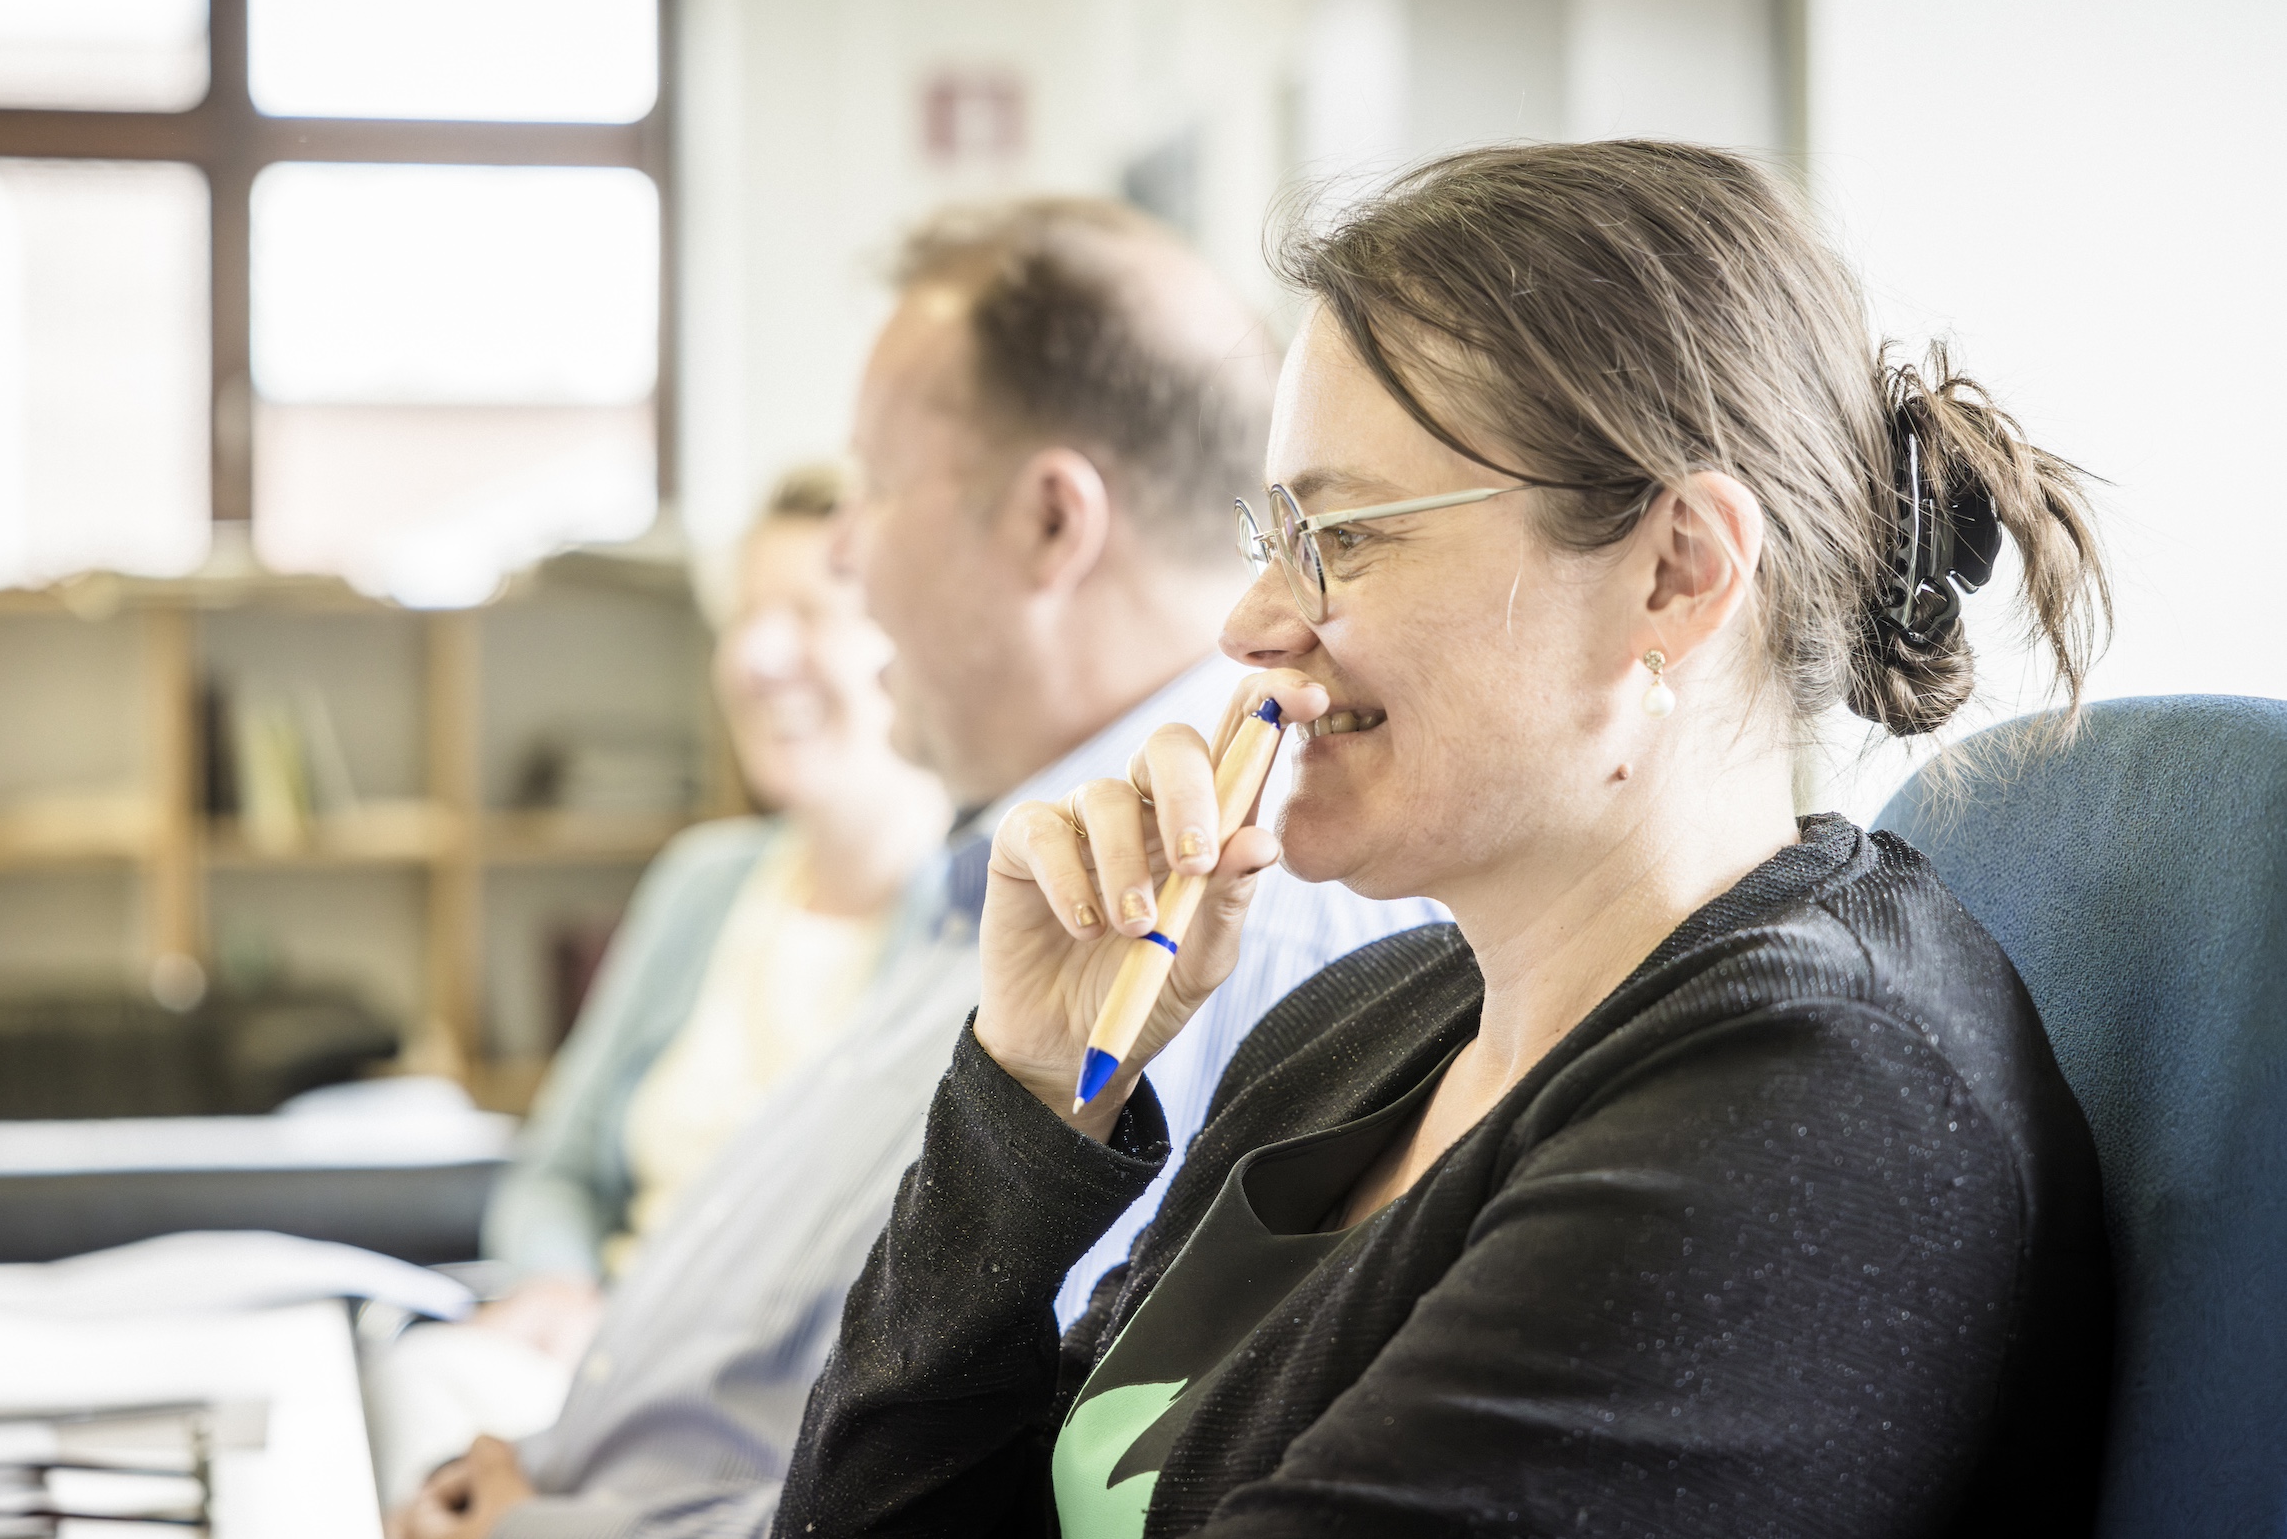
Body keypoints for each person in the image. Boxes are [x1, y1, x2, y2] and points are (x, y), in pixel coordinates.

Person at [776, 141, 2118, 1537]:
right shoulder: (1369, 1023)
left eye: (1341, 537)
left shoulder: (1811, 1112)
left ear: (1677, 575)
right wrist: (1030, 1093)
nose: (1247, 626)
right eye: (1272, 533)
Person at [394, 198, 1440, 1539]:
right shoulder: (1014, 868)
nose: (843, 550)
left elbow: (1008, 1479)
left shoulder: (1219, 916)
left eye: (875, 483)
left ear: (1052, 524)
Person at [369, 463, 950, 1504]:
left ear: (906, 639)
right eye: (746, 616)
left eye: (808, 612)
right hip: (590, 1354)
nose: (760, 657)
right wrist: (560, 1284)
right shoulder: (702, 884)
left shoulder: (968, 936)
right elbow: (557, 1167)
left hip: (751, 1421)